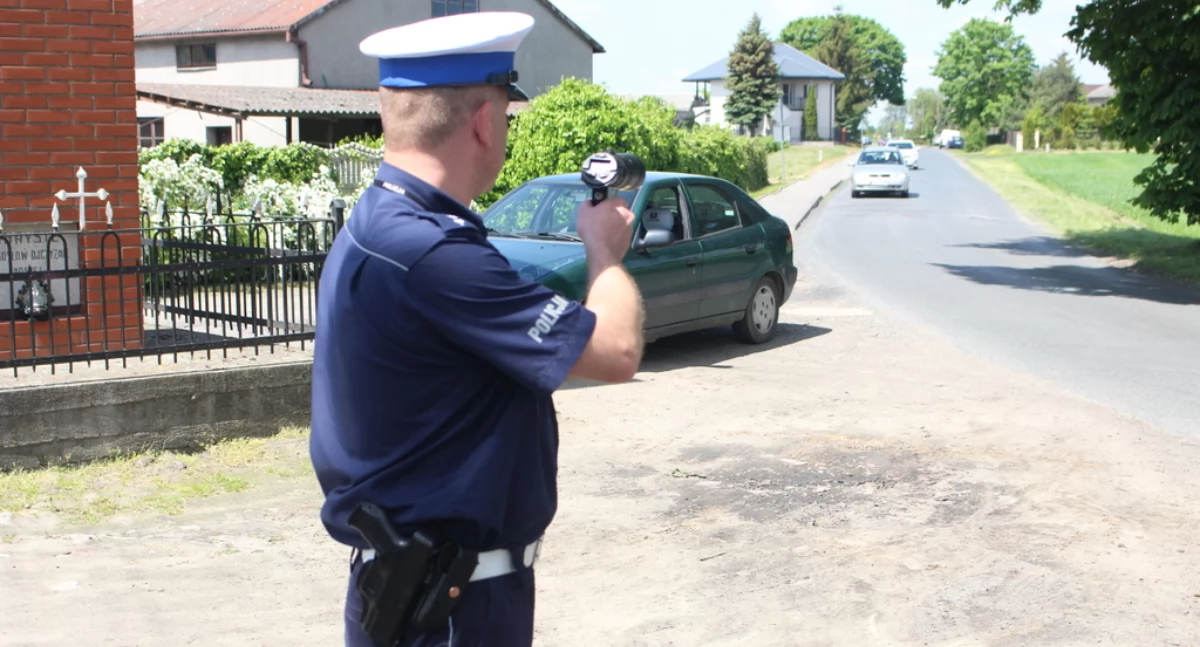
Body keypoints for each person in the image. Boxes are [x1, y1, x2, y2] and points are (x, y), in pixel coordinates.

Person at [307, 10, 646, 647]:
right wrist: (604, 251)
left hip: (418, 587)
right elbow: (616, 350)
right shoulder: (432, 251)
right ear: (486, 122)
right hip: (450, 605)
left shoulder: (378, 221)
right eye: (507, 117)